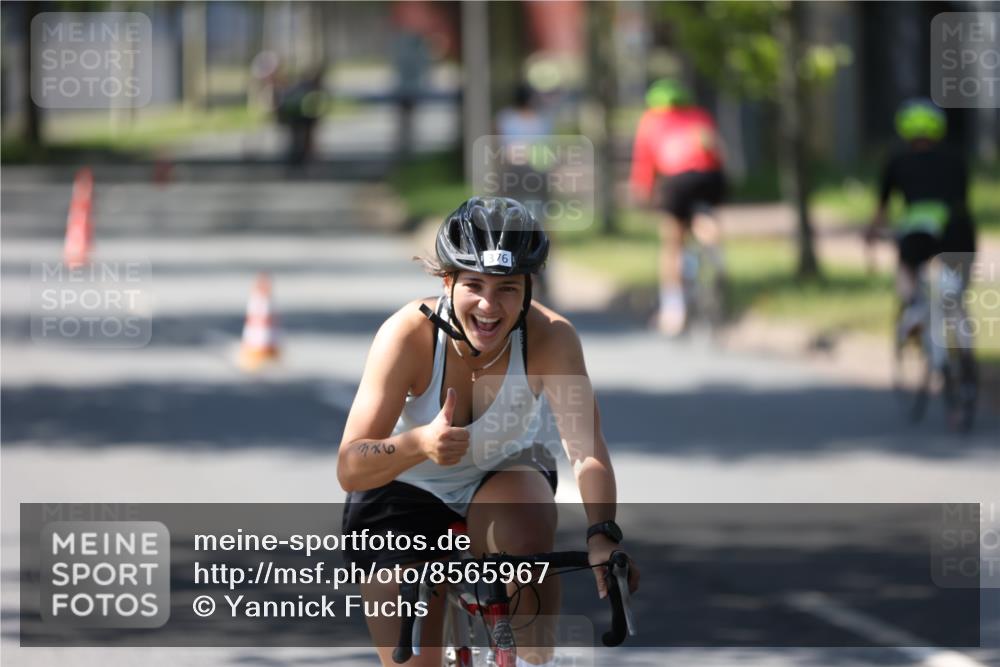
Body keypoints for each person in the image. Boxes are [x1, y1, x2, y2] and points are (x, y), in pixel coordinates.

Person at [338, 197, 639, 666]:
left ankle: (532, 659)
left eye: (506, 289)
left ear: (529, 287)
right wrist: (419, 443)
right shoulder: (407, 336)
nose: (488, 305)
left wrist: (603, 533)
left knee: (525, 540)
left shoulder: (552, 339)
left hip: (503, 475)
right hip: (405, 485)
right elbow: (351, 466)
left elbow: (586, 450)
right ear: (446, 281)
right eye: (473, 285)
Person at [865, 98, 978, 420]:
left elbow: (882, 209)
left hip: (919, 232)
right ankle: (964, 356)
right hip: (959, 230)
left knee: (907, 270)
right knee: (955, 298)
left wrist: (871, 234)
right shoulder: (957, 159)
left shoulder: (897, 162)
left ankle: (913, 309)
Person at [630, 78, 726, 336]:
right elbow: (718, 149)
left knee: (672, 242)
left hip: (677, 179)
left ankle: (673, 310)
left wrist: (643, 193)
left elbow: (645, 163)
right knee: (703, 218)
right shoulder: (699, 115)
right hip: (710, 175)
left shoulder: (651, 120)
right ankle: (713, 248)